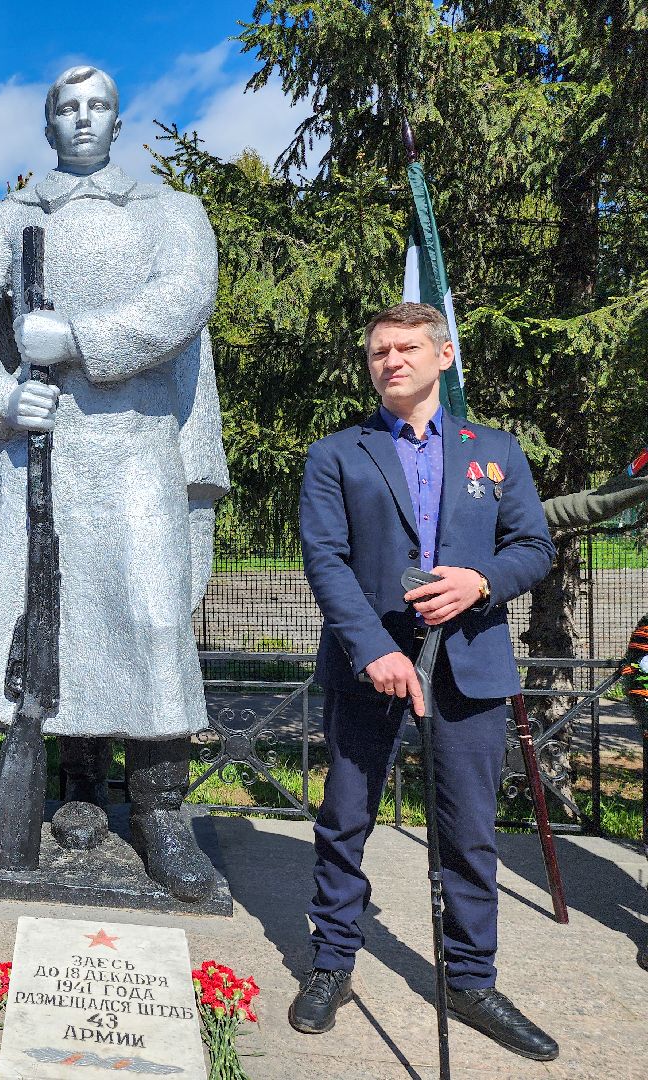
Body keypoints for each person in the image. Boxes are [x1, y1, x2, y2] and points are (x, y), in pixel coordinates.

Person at [0, 64, 228, 900]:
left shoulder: (171, 210)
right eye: (68, 108)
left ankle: (162, 815)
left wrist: (75, 339)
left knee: (150, 620)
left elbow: (185, 299)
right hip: (40, 449)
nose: (84, 119)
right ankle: (79, 792)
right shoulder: (8, 217)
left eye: (99, 106)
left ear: (118, 122)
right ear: (49, 125)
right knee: (49, 624)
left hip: (140, 445)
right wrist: (0, 396)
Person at [293, 302, 558, 1060]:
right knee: (345, 819)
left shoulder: (493, 450)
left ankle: (470, 981)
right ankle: (332, 963)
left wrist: (480, 581)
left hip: (469, 664)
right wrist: (373, 648)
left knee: (469, 832)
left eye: (407, 347)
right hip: (368, 667)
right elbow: (325, 559)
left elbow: (533, 546)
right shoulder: (337, 454)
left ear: (443, 356)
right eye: (379, 351)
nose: (391, 361)